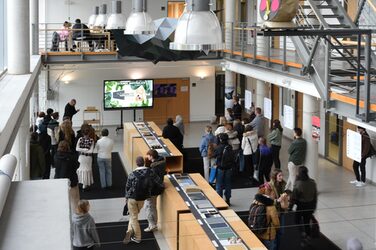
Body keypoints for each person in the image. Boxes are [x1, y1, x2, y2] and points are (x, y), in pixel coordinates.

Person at [123, 156, 152, 244]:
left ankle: (137, 237)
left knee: (134, 217)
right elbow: (155, 182)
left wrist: (126, 198)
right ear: (144, 162)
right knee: (134, 215)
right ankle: (129, 229)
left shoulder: (132, 174)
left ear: (136, 163)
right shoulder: (149, 172)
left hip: (132, 198)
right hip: (142, 198)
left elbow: (127, 187)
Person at [289, 166, 317, 243]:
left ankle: (301, 233)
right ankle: (307, 236)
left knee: (297, 220)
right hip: (310, 205)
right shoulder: (312, 182)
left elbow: (294, 197)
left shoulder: (298, 184)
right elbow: (315, 196)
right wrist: (314, 206)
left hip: (301, 206)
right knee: (306, 222)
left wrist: (290, 207)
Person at [144, 149, 166, 232]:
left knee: (148, 206)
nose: (147, 157)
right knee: (153, 206)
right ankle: (154, 224)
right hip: (159, 187)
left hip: (153, 190)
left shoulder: (154, 167)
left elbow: (153, 180)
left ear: (152, 156)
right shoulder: (162, 162)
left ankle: (152, 225)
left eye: (148, 155)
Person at [54, 140, 79, 211]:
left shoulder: (56, 156)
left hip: (59, 179)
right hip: (72, 180)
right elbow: (77, 166)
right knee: (74, 200)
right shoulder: (72, 157)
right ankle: (75, 215)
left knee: (61, 199)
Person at [213, 133, 234, 205]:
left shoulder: (218, 147)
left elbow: (214, 155)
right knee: (228, 184)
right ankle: (227, 199)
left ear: (220, 139)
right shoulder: (229, 147)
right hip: (228, 168)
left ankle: (220, 200)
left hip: (220, 168)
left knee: (219, 184)